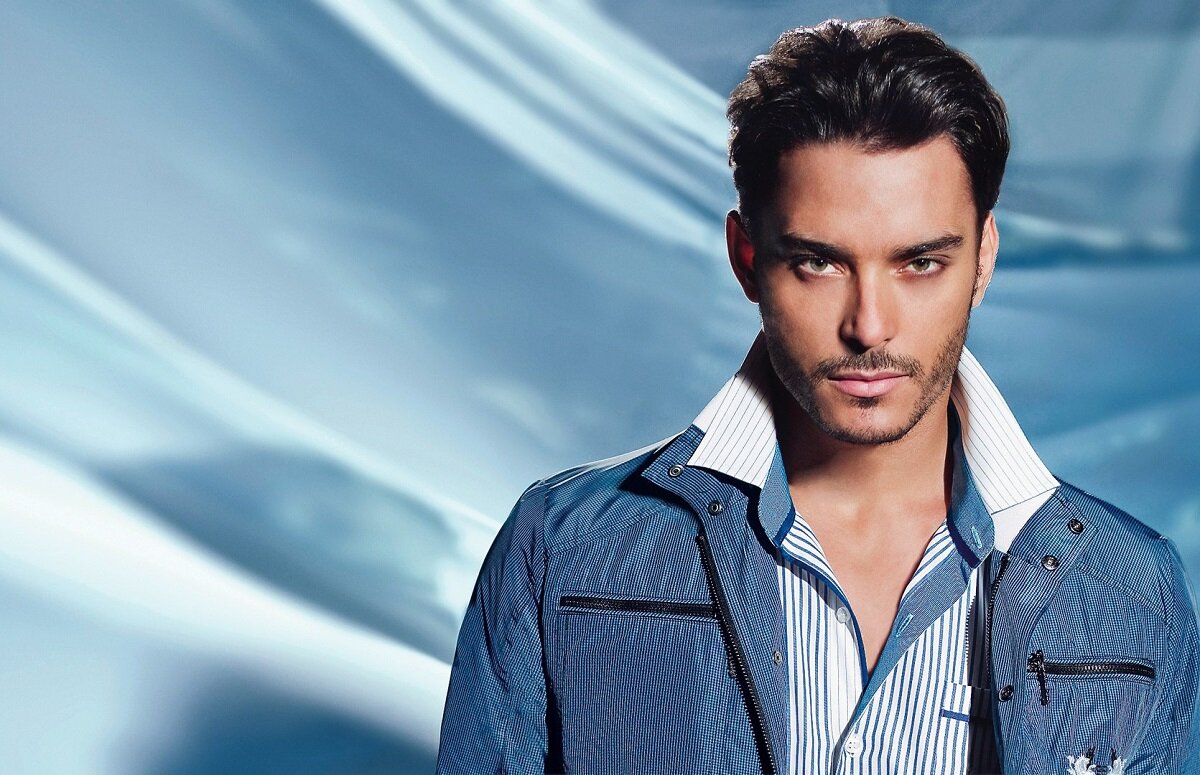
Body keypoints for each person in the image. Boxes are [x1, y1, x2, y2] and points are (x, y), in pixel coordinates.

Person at [435, 16, 1199, 775]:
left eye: (920, 263)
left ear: (982, 259)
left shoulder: (1133, 592)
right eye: (818, 263)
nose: (868, 325)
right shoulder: (566, 548)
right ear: (747, 258)